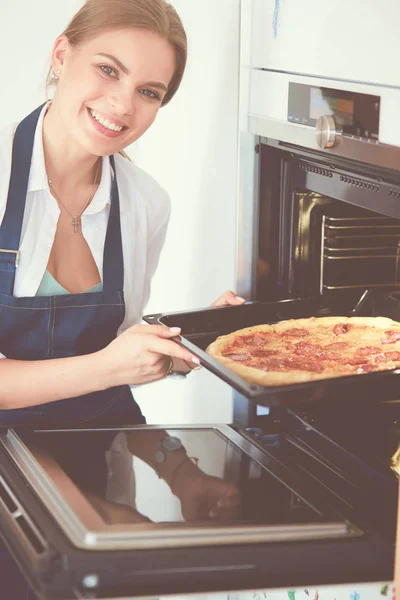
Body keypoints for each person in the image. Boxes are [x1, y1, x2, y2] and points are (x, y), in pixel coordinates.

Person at [0, 0, 245, 596]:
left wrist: (180, 471)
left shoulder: (143, 205)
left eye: (150, 91)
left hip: (92, 508)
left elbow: (109, 386)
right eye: (108, 70)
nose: (123, 106)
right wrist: (109, 365)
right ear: (62, 55)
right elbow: (103, 369)